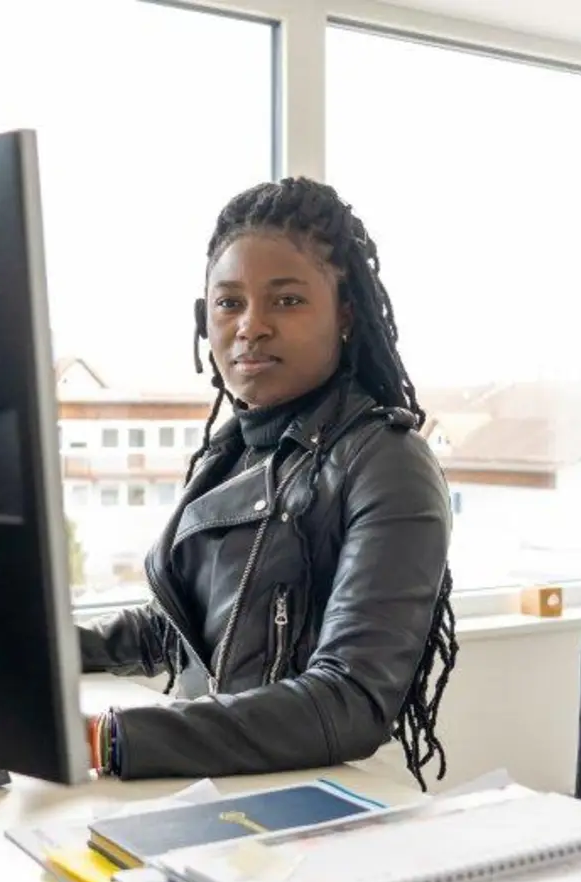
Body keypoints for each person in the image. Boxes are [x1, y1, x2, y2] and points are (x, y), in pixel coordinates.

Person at [78, 176, 458, 791]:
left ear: (345, 314)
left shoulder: (388, 463)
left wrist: (112, 738)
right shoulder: (230, 453)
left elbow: (350, 700)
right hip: (218, 783)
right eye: (229, 303)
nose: (251, 326)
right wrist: (29, 647)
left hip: (322, 801)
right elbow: (173, 628)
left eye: (286, 300)